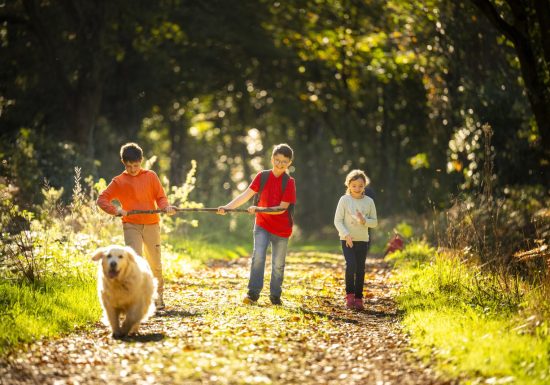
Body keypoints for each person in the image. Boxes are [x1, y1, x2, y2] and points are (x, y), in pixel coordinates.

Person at [97, 142, 176, 309]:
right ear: (123, 163)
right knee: (136, 262)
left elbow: (160, 197)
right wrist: (117, 210)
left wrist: (165, 207)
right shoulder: (119, 181)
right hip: (131, 225)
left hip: (151, 224)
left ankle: (158, 295)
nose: (133, 169)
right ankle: (138, 298)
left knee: (155, 263)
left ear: (141, 161)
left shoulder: (151, 176)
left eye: (136, 165)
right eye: (129, 166)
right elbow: (102, 200)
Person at [217, 143, 296, 306]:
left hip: (281, 230)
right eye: (277, 159)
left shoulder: (289, 182)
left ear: (289, 163)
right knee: (258, 257)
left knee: (278, 265)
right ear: (272, 158)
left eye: (284, 161)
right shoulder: (262, 176)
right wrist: (227, 207)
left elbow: (281, 209)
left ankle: (275, 295)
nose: (280, 164)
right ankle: (253, 294)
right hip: (262, 225)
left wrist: (259, 208)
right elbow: (246, 195)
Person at [333, 169, 377, 310]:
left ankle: (359, 298)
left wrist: (364, 221)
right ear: (348, 185)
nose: (357, 189)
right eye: (354, 186)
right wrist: (346, 234)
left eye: (360, 186)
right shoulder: (344, 200)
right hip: (347, 239)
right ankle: (349, 296)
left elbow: (374, 222)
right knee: (351, 265)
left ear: (365, 186)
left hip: (363, 240)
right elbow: (337, 221)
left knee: (360, 269)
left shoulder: (369, 202)